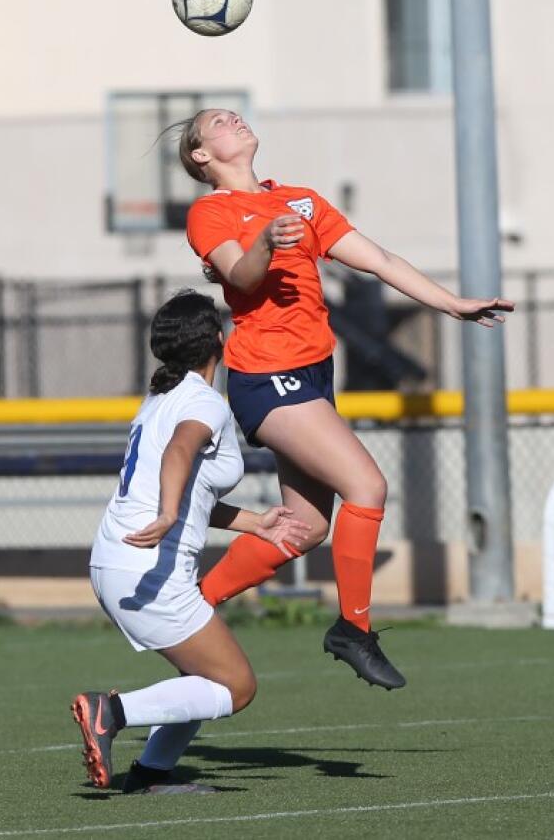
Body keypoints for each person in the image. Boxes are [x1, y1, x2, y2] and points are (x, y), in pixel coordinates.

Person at [171, 108, 513, 690]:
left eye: (234, 114)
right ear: (201, 156)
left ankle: (190, 604)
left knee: (302, 530)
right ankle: (353, 629)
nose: (234, 119)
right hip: (268, 374)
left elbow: (378, 260)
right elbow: (241, 275)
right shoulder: (211, 211)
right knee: (368, 487)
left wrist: (449, 303)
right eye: (218, 123)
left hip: (313, 372)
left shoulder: (300, 200)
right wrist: (263, 243)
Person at [71, 289, 314, 792]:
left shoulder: (160, 398)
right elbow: (180, 452)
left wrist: (254, 523)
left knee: (201, 678)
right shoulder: (202, 402)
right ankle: (110, 712)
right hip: (145, 566)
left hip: (118, 560)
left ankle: (152, 773)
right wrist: (165, 514)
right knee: (236, 687)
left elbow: (192, 493)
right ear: (219, 341)